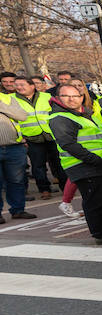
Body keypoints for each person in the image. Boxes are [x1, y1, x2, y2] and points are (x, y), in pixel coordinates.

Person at [48, 83, 102, 244]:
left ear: (82, 97)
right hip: (83, 165)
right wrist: (93, 159)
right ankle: (100, 233)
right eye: (66, 96)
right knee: (93, 201)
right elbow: (68, 144)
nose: (71, 99)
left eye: (75, 95)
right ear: (58, 98)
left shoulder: (86, 114)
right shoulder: (60, 117)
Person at [12, 75, 65, 200]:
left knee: (60, 163)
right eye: (17, 85)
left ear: (32, 86)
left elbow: (57, 112)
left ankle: (65, 187)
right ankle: (44, 189)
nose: (19, 87)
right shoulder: (12, 99)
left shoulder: (46, 96)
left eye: (22, 85)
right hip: (31, 137)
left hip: (51, 135)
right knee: (38, 166)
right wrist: (20, 137)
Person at [0, 88, 35, 221]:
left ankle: (18, 210)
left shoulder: (8, 98)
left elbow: (22, 116)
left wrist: (1, 106)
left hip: (14, 147)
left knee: (16, 181)